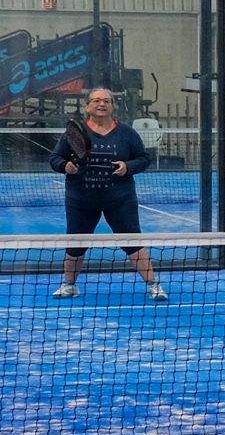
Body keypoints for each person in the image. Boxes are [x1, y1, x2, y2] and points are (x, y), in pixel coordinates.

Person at [49, 88, 165, 301]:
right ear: (87, 106)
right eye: (96, 100)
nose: (101, 104)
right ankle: (69, 285)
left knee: (133, 242)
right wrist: (65, 166)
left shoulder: (127, 133)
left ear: (113, 106)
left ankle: (154, 285)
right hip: (81, 200)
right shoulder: (74, 133)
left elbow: (144, 158)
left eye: (106, 101)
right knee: (75, 245)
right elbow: (55, 158)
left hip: (120, 199)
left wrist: (127, 167)